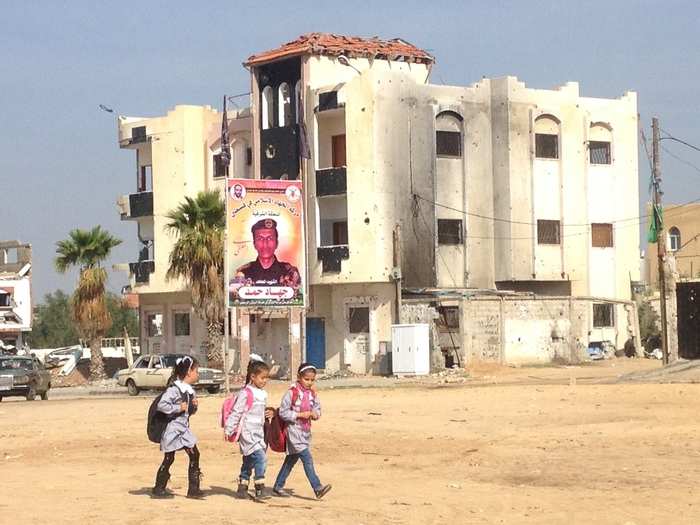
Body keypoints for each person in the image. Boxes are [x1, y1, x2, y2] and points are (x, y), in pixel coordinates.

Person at [272, 363, 332, 500]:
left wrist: (315, 414)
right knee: (307, 458)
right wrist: (299, 415)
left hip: (305, 432)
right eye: (306, 379)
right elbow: (283, 412)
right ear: (299, 377)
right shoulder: (291, 393)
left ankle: (278, 486)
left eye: (312, 380)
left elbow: (317, 408)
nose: (309, 382)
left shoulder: (312, 394)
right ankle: (317, 487)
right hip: (294, 432)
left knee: (291, 460)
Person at [152, 356, 204, 499]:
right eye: (196, 371)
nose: (198, 374)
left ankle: (193, 489)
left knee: (195, 454)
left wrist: (193, 407)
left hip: (184, 429)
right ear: (188, 372)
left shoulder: (190, 391)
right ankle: (159, 488)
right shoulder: (174, 390)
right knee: (169, 458)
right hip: (172, 429)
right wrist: (177, 407)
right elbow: (162, 405)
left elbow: (189, 412)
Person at [225, 360, 274, 500]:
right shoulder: (245, 393)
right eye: (262, 377)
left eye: (266, 378)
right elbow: (236, 411)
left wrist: (269, 413)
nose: (265, 380)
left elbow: (262, 410)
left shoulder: (263, 394)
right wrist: (229, 428)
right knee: (260, 457)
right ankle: (260, 488)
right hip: (247, 432)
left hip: (259, 431)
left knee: (248, 460)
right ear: (253, 377)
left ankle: (242, 487)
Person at [230, 219, 301, 291]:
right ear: (254, 244)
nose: (265, 244)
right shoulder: (243, 272)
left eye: (270, 238)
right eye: (260, 239)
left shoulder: (289, 271)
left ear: (277, 243)